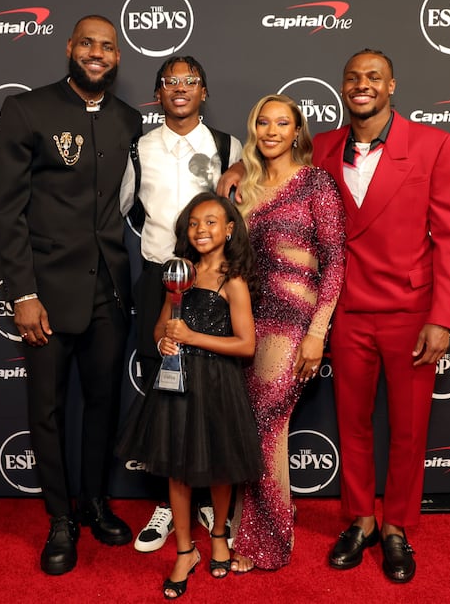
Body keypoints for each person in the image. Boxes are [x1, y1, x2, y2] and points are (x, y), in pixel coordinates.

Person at [0, 15, 142, 575]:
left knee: (103, 404)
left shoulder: (129, 119)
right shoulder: (27, 110)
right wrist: (22, 292)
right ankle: (60, 519)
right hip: (46, 292)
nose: (97, 53)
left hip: (109, 288)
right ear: (70, 48)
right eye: (88, 44)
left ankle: (95, 502)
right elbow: (6, 211)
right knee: (48, 410)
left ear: (117, 57)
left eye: (107, 46)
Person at [315, 50, 450, 583]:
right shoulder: (320, 148)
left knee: (408, 430)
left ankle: (398, 527)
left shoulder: (433, 144)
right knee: (352, 425)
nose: (362, 85)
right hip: (349, 311)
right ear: (342, 86)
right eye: (353, 77)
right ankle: (360, 521)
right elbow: (272, 170)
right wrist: (241, 167)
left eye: (373, 78)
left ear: (392, 86)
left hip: (410, 313)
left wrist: (443, 317)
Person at [119, 55, 242, 553]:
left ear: (204, 91)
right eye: (170, 82)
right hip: (159, 278)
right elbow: (122, 209)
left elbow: (243, 203)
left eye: (190, 80)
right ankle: (171, 506)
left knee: (212, 391)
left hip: (211, 282)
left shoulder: (227, 145)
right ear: (159, 92)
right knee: (164, 389)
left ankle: (211, 504)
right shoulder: (139, 147)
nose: (181, 88)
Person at [116, 192, 263, 599]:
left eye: (212, 222)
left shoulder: (232, 280)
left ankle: (218, 535)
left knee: (219, 466)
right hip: (176, 383)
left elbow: (246, 345)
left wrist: (193, 337)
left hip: (218, 384)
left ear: (229, 229)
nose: (202, 230)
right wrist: (165, 341)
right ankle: (185, 550)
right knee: (177, 470)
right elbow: (160, 330)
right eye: (195, 223)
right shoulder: (178, 274)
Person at [229, 94, 345, 572]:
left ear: (298, 131)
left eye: (283, 123)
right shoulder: (245, 187)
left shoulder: (316, 181)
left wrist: (318, 331)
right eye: (263, 122)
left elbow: (336, 261)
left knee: (265, 424)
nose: (272, 131)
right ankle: (259, 523)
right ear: (253, 128)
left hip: (295, 325)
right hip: (248, 323)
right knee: (252, 426)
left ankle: (267, 540)